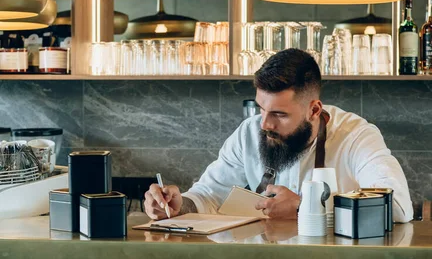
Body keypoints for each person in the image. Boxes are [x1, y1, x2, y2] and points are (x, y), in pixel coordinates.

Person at [144, 49, 413, 223]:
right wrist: (180, 205)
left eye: (280, 115)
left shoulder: (356, 136)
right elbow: (210, 194)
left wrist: (304, 206)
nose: (265, 124)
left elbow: (399, 208)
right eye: (262, 109)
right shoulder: (250, 132)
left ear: (314, 110)